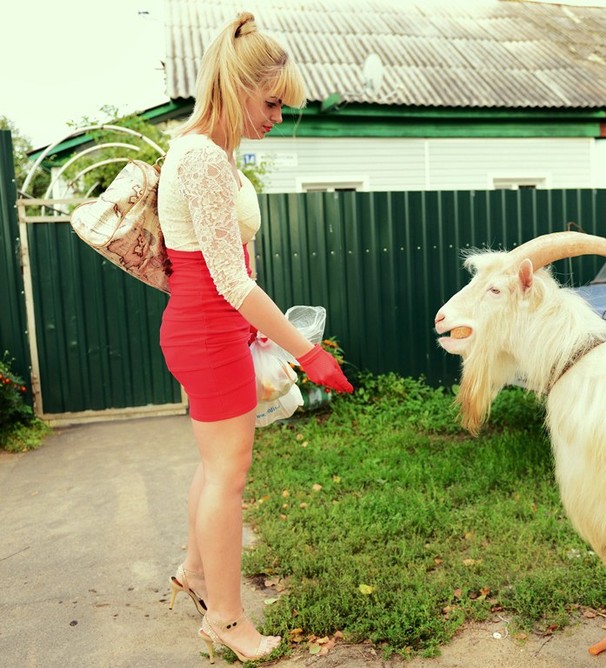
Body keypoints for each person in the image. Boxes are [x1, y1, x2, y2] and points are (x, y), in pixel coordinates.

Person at [156, 11, 353, 663]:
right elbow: (232, 283)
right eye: (271, 103)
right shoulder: (204, 159)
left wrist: (262, 340)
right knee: (228, 477)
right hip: (209, 330)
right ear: (237, 88)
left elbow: (235, 271)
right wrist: (309, 352)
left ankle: (195, 572)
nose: (276, 116)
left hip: (211, 329)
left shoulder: (208, 155)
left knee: (214, 469)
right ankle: (228, 620)